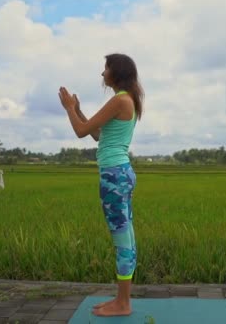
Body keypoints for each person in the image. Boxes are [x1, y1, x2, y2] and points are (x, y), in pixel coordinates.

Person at [58, 53, 144, 317]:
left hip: (114, 177)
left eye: (105, 68)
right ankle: (122, 299)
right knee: (126, 236)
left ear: (115, 73)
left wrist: (69, 108)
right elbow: (96, 133)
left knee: (122, 240)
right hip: (122, 174)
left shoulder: (119, 100)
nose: (102, 74)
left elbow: (81, 132)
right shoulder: (126, 100)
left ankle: (123, 303)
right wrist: (79, 110)